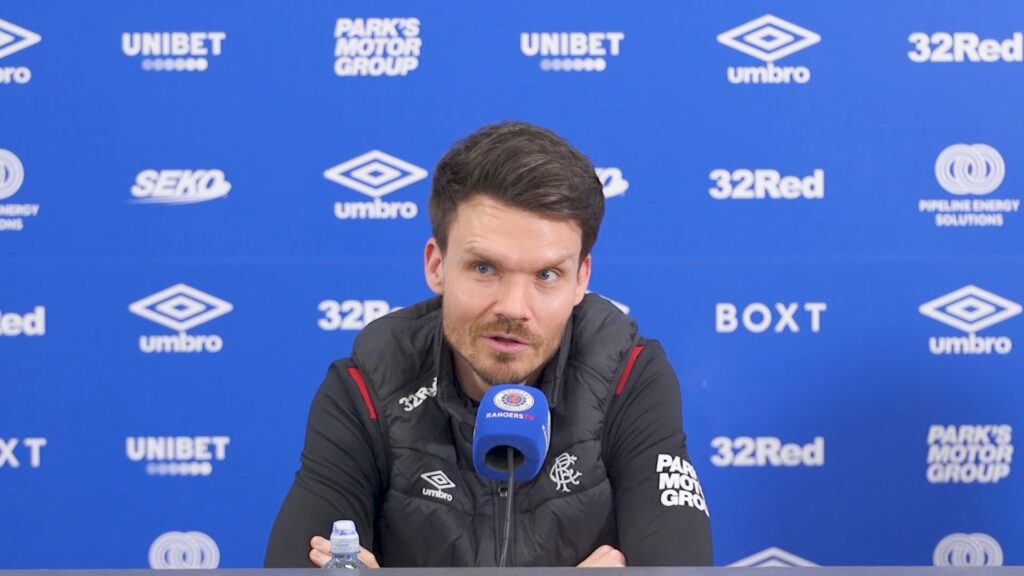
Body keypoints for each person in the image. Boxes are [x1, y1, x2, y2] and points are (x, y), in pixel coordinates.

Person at [264, 122, 712, 568]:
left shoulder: (628, 376)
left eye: (546, 275)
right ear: (437, 265)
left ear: (581, 279)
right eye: (484, 268)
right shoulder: (369, 385)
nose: (514, 307)